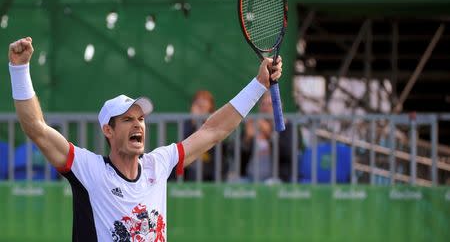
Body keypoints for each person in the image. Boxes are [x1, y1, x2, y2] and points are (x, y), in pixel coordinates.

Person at [7, 37, 283, 241]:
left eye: (141, 119)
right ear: (108, 130)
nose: (137, 124)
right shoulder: (89, 169)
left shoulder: (158, 164)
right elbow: (36, 128)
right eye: (127, 119)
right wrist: (19, 70)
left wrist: (259, 85)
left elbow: (213, 131)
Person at [240, 92, 297, 182]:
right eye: (263, 104)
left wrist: (269, 135)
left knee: (270, 185)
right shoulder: (252, 124)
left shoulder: (287, 126)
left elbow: (287, 154)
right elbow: (236, 156)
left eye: (271, 104)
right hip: (249, 177)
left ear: (280, 107)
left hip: (276, 178)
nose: (266, 108)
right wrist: (247, 139)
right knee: (237, 183)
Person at [181, 90, 227, 181]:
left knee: (198, 167)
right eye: (198, 101)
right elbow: (185, 142)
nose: (201, 104)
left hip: (212, 163)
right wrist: (194, 121)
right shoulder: (188, 123)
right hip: (192, 162)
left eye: (205, 100)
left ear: (210, 106)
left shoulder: (216, 122)